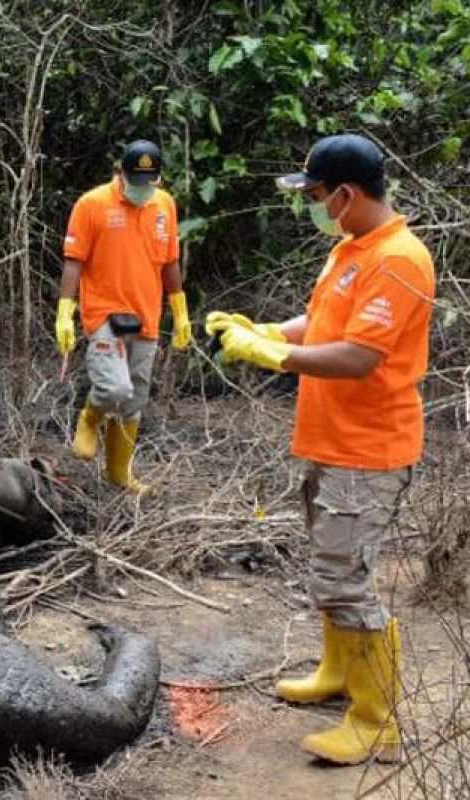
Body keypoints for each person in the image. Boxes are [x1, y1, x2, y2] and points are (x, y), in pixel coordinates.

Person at [206, 133, 435, 765]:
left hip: (369, 449)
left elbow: (360, 356)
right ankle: (339, 673)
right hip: (332, 440)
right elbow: (329, 325)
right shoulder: (352, 249)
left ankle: (376, 721)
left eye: (313, 195)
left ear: (346, 193)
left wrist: (276, 357)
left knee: (345, 581)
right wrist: (269, 331)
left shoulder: (399, 259)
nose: (310, 204)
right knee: (331, 567)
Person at [56, 140, 193, 495]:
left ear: (158, 180)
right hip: (103, 311)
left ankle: (119, 474)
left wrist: (179, 312)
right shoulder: (92, 204)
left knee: (135, 400)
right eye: (135, 181)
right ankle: (88, 419)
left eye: (149, 182)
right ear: (120, 174)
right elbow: (74, 262)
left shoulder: (164, 205)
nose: (142, 190)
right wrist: (64, 313)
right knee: (113, 386)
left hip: (146, 314)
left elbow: (170, 262)